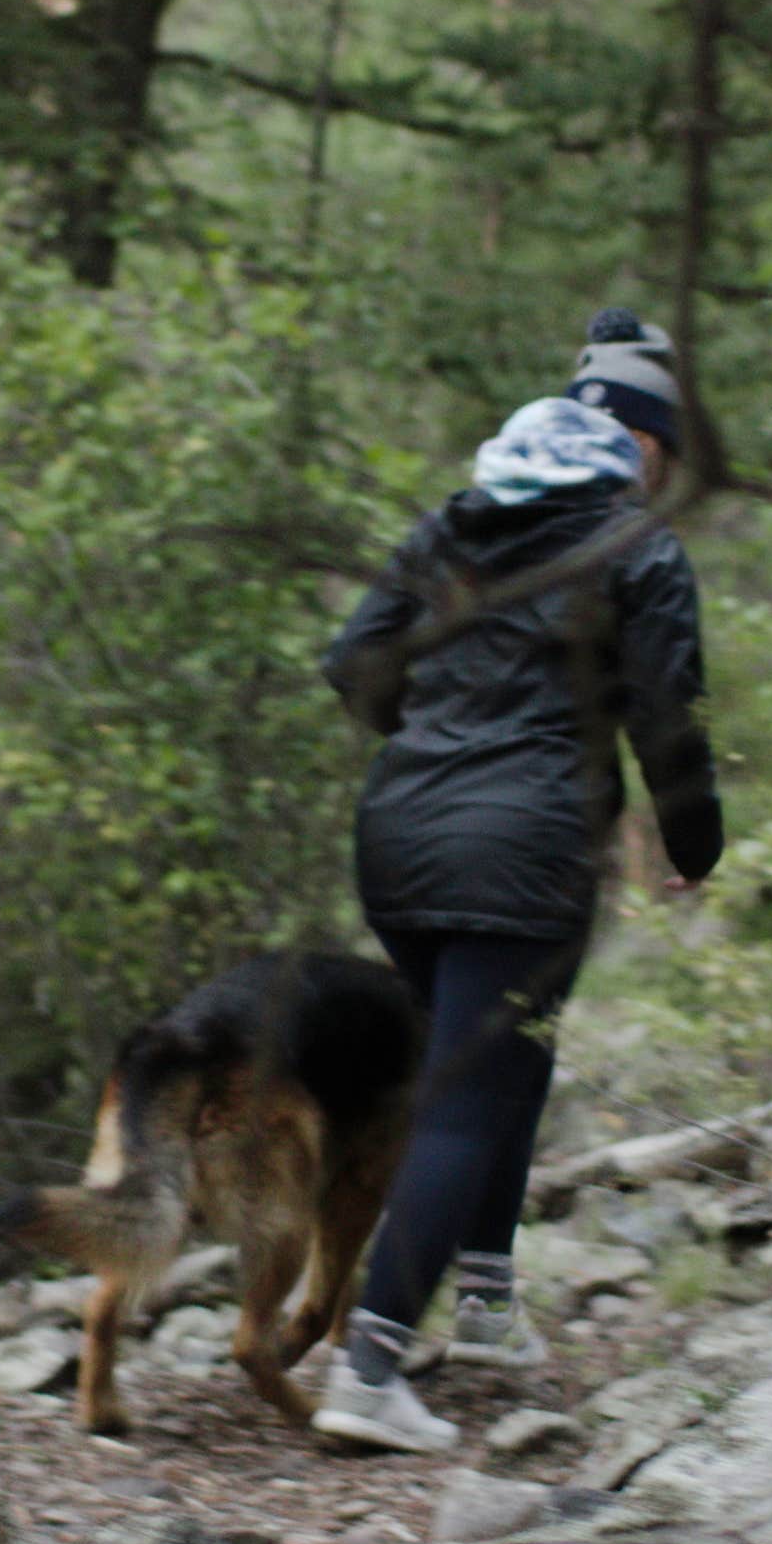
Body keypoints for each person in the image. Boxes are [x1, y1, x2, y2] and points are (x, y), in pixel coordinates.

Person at [309, 311, 724, 1455]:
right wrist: (695, 842)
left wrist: (431, 733)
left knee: (509, 1053)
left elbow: (353, 663)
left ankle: (486, 1298)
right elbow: (670, 715)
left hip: (398, 838)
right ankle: (372, 1366)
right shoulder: (635, 546)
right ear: (642, 443)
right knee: (470, 1095)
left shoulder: (454, 524)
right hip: (525, 848)